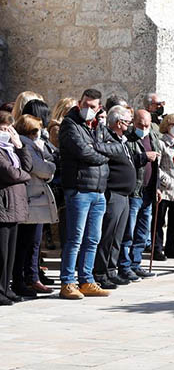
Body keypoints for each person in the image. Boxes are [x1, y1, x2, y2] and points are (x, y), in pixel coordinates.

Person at [58, 89, 115, 299]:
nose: (88, 109)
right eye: (85, 104)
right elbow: (83, 152)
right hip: (79, 188)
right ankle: (67, 282)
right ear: (79, 102)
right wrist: (103, 154)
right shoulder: (69, 124)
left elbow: (117, 147)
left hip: (99, 190)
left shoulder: (98, 126)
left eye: (93, 107)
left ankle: (87, 279)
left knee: (93, 238)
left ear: (99, 108)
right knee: (75, 238)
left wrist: (99, 149)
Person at [94, 106, 147, 289]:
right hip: (114, 193)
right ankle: (100, 272)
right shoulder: (109, 138)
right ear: (118, 122)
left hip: (125, 194)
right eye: (127, 122)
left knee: (118, 236)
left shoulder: (122, 140)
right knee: (108, 234)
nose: (130, 125)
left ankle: (111, 270)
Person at [12, 113, 57, 297]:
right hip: (32, 199)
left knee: (33, 242)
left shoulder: (32, 144)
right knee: (27, 243)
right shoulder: (26, 145)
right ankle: (23, 279)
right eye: (38, 129)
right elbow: (43, 168)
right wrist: (50, 168)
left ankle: (31, 277)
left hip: (36, 198)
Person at [118, 109, 162, 280]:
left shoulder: (153, 137)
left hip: (149, 191)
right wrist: (144, 157)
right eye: (140, 125)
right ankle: (124, 265)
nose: (143, 128)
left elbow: (157, 166)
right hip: (134, 191)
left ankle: (136, 264)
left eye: (147, 125)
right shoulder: (128, 139)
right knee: (129, 231)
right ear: (134, 123)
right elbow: (126, 162)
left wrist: (157, 186)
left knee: (142, 232)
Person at [0, 110, 33, 305]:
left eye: (8, 128)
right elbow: (11, 174)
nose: (6, 132)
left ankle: (6, 288)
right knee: (1, 253)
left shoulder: (11, 149)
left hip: (15, 205)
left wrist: (20, 146)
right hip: (3, 205)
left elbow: (27, 167)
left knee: (10, 252)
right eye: (2, 128)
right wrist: (23, 175)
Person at [154, 113, 174, 260]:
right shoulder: (161, 143)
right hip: (165, 187)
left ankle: (171, 247)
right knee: (159, 220)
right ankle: (157, 248)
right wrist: (165, 180)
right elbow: (157, 166)